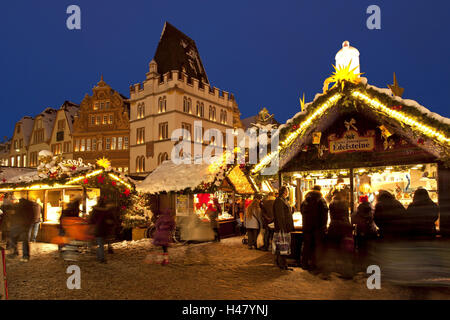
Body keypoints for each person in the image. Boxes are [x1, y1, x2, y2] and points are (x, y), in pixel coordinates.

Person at [326, 190, 354, 277]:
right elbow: (346, 216)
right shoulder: (345, 203)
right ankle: (346, 271)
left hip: (334, 227)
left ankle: (333, 268)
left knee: (333, 248)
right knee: (345, 250)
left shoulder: (331, 203)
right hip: (344, 227)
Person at [300, 185, 328, 271]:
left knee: (307, 246)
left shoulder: (304, 201)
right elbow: (324, 215)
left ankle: (304, 264)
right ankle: (315, 264)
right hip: (318, 227)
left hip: (307, 227)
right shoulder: (321, 200)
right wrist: (324, 226)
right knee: (317, 246)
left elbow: (302, 212)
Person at [351, 195, 377, 270]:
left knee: (362, 250)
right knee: (371, 249)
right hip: (371, 231)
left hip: (361, 232)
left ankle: (362, 266)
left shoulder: (358, 210)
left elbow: (353, 219)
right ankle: (371, 266)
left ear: (360, 201)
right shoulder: (372, 208)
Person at [273, 186, 294, 270]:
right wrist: (282, 228)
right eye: (287, 191)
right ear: (284, 192)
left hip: (284, 227)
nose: (288, 192)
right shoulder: (279, 201)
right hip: (282, 228)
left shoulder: (283, 200)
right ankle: (282, 264)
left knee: (283, 246)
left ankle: (281, 263)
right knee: (283, 246)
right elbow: (280, 216)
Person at [89, 198, 116, 263]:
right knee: (102, 243)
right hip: (105, 229)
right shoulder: (107, 210)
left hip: (98, 228)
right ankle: (102, 256)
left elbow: (91, 219)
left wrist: (91, 226)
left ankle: (101, 257)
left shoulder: (95, 210)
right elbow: (112, 219)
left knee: (100, 244)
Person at [8, 197, 34, 262]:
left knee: (14, 239)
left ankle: (15, 253)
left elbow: (14, 216)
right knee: (24, 241)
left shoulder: (19, 207)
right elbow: (32, 216)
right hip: (24, 226)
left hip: (18, 225)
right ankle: (25, 256)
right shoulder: (30, 207)